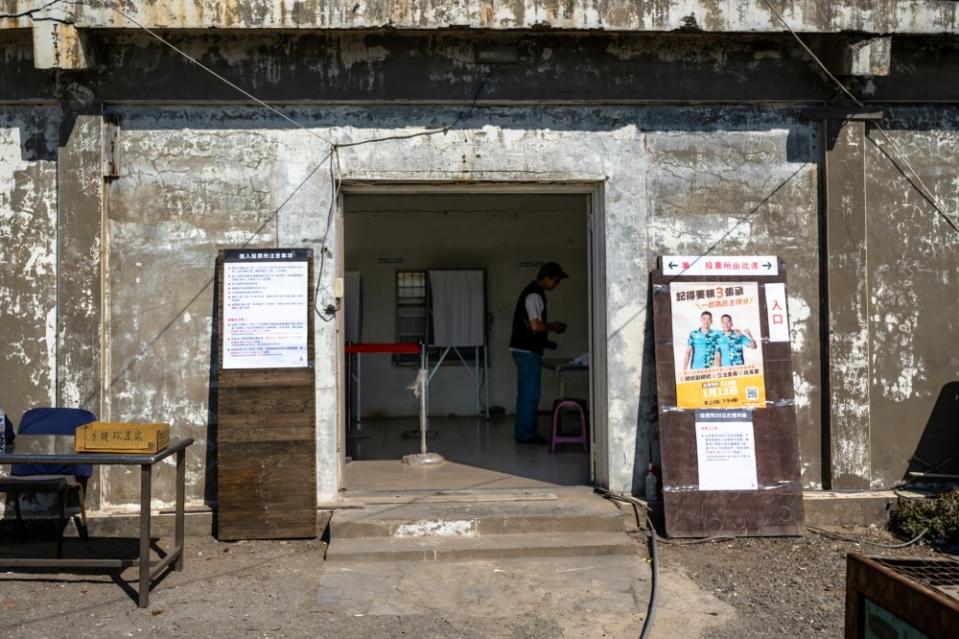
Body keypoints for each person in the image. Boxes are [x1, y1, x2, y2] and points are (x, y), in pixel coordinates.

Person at [509, 262, 568, 444]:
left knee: (526, 393)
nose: (556, 286)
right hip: (527, 351)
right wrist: (554, 327)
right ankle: (526, 434)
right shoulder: (534, 295)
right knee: (530, 394)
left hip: (523, 349)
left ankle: (525, 431)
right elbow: (535, 326)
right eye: (556, 281)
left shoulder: (533, 293)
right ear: (548, 278)